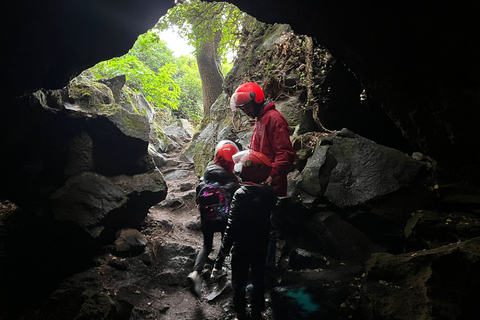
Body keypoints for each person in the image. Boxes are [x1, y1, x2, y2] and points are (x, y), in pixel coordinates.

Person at [230, 82, 294, 282]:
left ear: (257, 99)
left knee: (269, 228)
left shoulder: (275, 119)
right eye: (242, 108)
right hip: (258, 183)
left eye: (246, 107)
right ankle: (257, 265)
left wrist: (272, 174)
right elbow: (256, 151)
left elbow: (286, 154)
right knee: (259, 225)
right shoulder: (260, 119)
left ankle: (267, 272)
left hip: (269, 185)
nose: (245, 111)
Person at [215, 150, 277, 320]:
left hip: (242, 245)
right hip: (261, 243)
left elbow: (232, 224)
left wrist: (223, 251)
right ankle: (258, 311)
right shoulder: (269, 193)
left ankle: (240, 312)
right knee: (258, 277)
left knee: (239, 280)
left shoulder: (240, 195)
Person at [187, 140, 241, 298]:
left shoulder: (207, 174)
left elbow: (198, 196)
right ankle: (217, 269)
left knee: (206, 246)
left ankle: (195, 273)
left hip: (207, 218)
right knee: (226, 244)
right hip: (225, 219)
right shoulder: (233, 180)